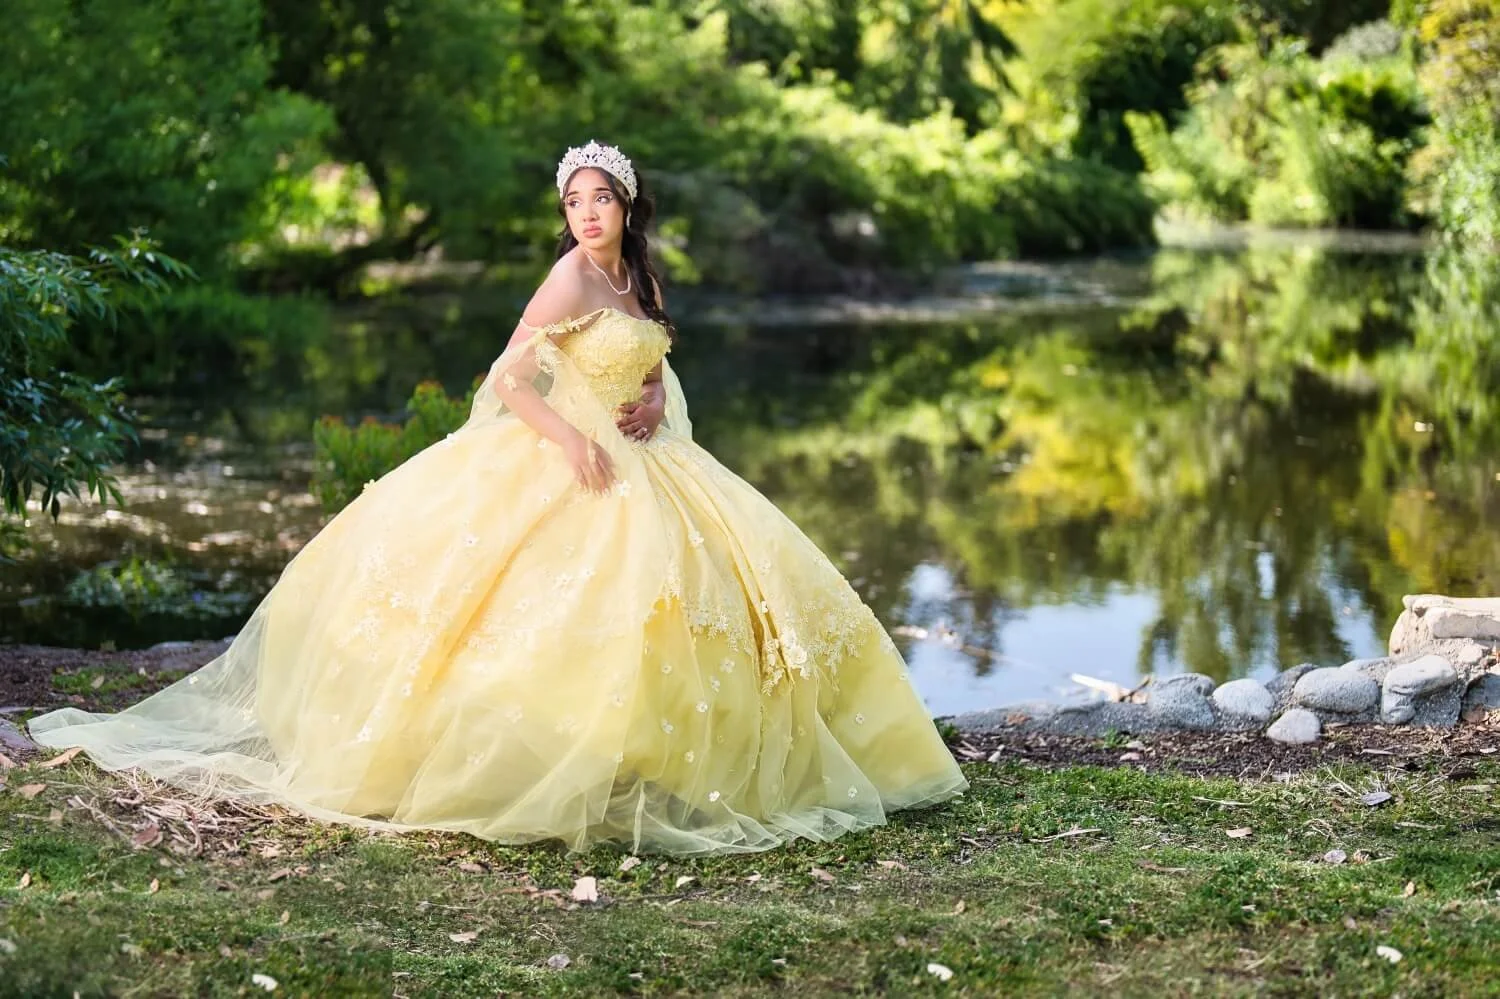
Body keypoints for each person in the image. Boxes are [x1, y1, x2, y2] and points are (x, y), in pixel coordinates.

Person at [29, 141, 967, 855]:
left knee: (707, 600)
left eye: (600, 198)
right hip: (574, 457)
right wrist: (570, 441)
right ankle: (554, 760)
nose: (587, 211)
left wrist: (644, 394)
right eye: (573, 200)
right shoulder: (566, 275)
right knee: (563, 608)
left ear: (626, 207)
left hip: (652, 459)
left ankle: (673, 761)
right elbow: (511, 374)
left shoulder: (636, 274)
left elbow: (649, 357)